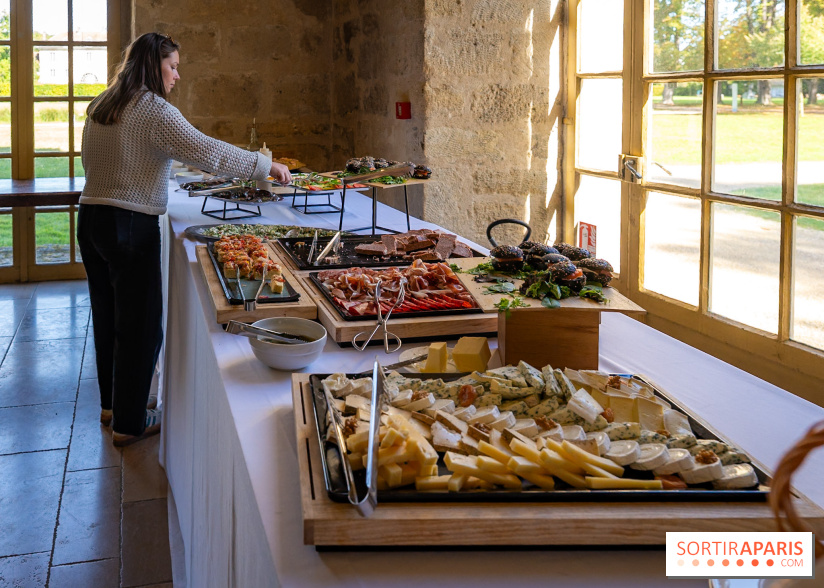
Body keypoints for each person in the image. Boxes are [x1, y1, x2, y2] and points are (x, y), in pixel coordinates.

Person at [77, 32, 291, 447]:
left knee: (107, 318)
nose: (176, 75)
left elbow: (92, 160)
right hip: (129, 224)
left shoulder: (102, 103)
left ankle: (112, 406)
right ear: (153, 66)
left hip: (91, 218)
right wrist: (266, 165)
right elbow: (206, 151)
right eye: (172, 66)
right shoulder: (153, 109)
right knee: (140, 327)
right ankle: (130, 423)